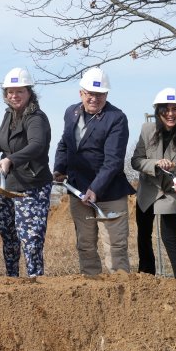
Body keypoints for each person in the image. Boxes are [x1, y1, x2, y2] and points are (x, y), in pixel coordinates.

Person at [53, 67, 134, 274]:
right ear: (81, 93)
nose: (94, 99)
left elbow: (113, 160)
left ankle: (119, 288)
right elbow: (65, 143)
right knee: (85, 244)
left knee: (115, 245)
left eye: (100, 95)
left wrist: (96, 188)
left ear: (106, 95)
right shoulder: (71, 113)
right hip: (78, 190)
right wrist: (59, 169)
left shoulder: (116, 118)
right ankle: (92, 286)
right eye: (90, 94)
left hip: (109, 192)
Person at [0, 68, 53, 277]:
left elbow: (37, 145)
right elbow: (2, 142)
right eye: (10, 92)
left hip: (32, 188)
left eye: (19, 91)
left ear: (29, 92)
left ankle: (35, 281)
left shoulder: (36, 118)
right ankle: (12, 281)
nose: (14, 96)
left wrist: (10, 159)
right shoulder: (9, 115)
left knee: (31, 241)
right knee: (9, 237)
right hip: (9, 186)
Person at [131, 88, 176, 278]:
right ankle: (146, 277)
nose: (170, 114)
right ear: (158, 111)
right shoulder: (147, 130)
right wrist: (156, 163)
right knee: (143, 235)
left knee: (169, 237)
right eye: (165, 109)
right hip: (148, 190)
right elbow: (136, 161)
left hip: (171, 192)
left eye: (175, 109)